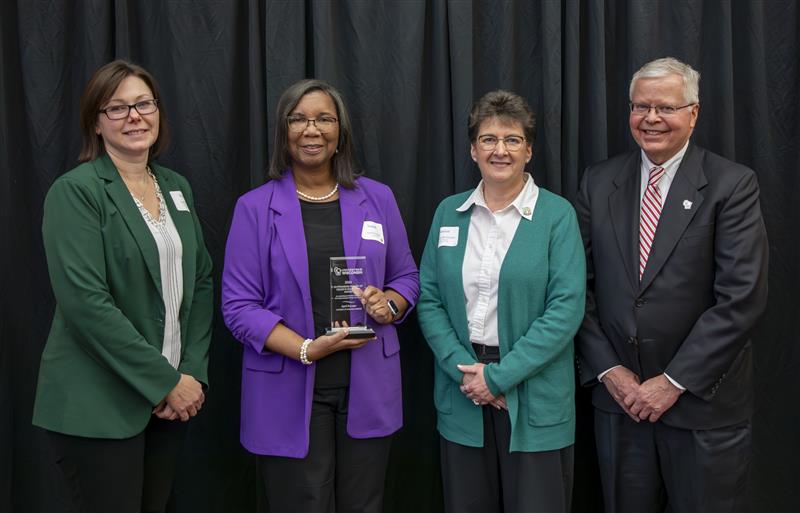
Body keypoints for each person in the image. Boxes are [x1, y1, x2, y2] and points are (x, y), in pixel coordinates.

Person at [575, 57, 769, 513]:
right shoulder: (598, 182)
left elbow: (741, 298)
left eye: (665, 107)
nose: (652, 119)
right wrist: (610, 372)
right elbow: (573, 289)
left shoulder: (732, 185)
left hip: (703, 409)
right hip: (620, 406)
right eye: (641, 106)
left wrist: (673, 382)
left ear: (694, 113)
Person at [221, 78, 419, 513]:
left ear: (340, 131)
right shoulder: (255, 208)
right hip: (289, 386)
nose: (312, 130)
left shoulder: (378, 199)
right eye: (299, 119)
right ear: (284, 131)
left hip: (368, 384)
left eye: (324, 119)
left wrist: (387, 306)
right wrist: (307, 349)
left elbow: (406, 277)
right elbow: (238, 307)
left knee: (364, 505)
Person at [32, 60, 213, 513]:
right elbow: (86, 304)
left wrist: (189, 373)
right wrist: (164, 381)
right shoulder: (76, 192)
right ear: (95, 122)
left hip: (172, 402)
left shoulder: (176, 188)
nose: (134, 116)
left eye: (143, 104)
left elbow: (202, 281)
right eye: (117, 108)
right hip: (101, 405)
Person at [417, 90, 586, 513]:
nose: (500, 150)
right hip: (462, 390)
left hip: (534, 397)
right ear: (473, 149)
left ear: (529, 151)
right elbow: (430, 299)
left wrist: (498, 378)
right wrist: (468, 375)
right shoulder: (447, 213)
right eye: (489, 139)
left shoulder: (557, 215)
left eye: (512, 140)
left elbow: (565, 310)